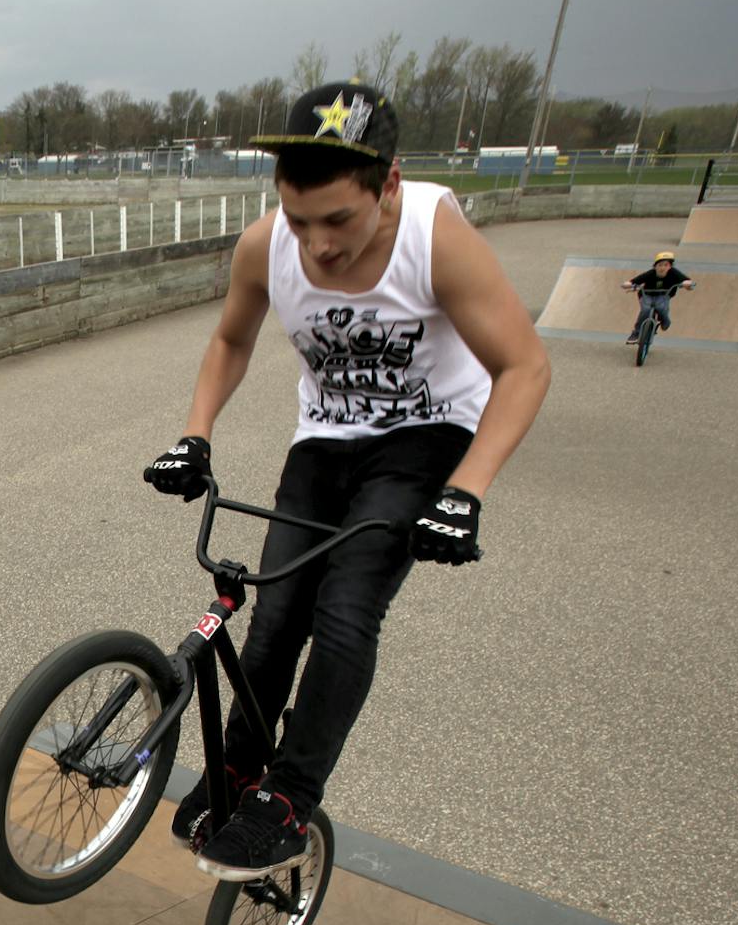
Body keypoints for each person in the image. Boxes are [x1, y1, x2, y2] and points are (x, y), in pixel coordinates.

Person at [143, 81, 550, 880]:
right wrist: (195, 435)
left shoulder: (436, 238)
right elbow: (230, 341)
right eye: (300, 221)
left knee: (345, 609)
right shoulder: (267, 246)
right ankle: (236, 771)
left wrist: (467, 492)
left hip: (426, 438)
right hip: (325, 441)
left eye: (339, 220)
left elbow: (525, 367)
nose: (318, 246)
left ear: (388, 184)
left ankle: (290, 798)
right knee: (274, 612)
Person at [623, 252, 696, 342]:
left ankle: (665, 321)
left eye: (666, 265)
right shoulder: (650, 273)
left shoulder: (674, 273)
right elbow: (635, 281)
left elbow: (687, 282)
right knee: (645, 310)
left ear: (670, 267)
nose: (662, 268)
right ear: (655, 266)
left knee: (661, 307)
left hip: (664, 295)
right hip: (647, 294)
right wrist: (628, 284)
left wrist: (687, 284)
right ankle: (637, 332)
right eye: (660, 265)